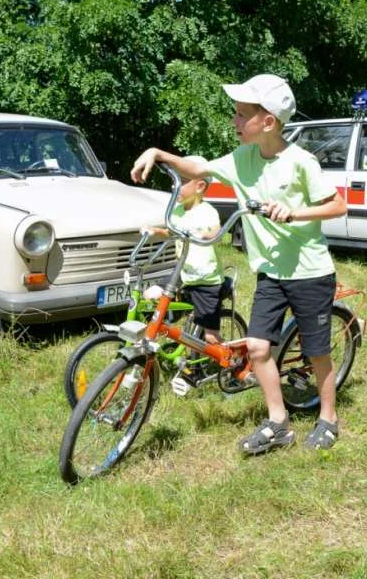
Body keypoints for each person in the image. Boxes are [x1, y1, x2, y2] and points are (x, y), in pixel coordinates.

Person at [131, 74, 348, 453]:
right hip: (270, 273)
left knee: (317, 352)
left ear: (268, 122)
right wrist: (159, 153)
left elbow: (338, 205)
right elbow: (198, 169)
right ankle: (278, 421)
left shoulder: (301, 162)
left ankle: (328, 416)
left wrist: (295, 213)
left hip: (310, 273)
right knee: (259, 349)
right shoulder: (241, 158)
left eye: (241, 114)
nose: (233, 121)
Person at [143, 156, 224, 389]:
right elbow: (173, 232)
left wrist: (206, 234)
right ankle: (163, 333)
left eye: (182, 181)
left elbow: (213, 230)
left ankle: (201, 368)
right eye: (174, 181)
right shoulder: (178, 211)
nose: (174, 186)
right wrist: (155, 231)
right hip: (183, 272)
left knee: (209, 337)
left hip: (205, 280)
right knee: (151, 295)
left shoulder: (207, 211)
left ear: (200, 186)